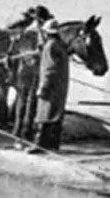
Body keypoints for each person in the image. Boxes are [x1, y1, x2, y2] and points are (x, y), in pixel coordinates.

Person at [33, 17, 69, 151]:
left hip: (50, 86)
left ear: (47, 33)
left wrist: (42, 87)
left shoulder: (50, 46)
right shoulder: (59, 45)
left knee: (44, 114)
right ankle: (53, 145)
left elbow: (49, 68)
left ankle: (39, 145)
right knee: (56, 115)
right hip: (60, 86)